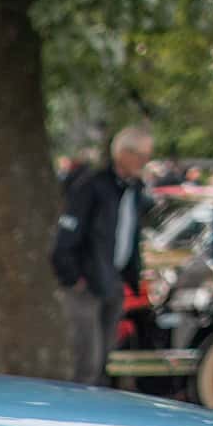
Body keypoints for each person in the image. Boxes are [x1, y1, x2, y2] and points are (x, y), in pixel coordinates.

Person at [60, 124, 153, 386]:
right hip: (86, 283)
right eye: (141, 156)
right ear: (124, 153)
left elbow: (129, 235)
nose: (144, 163)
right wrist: (73, 276)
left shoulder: (133, 190)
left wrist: (130, 275)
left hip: (112, 280)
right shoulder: (92, 186)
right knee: (86, 361)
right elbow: (68, 234)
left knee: (104, 360)